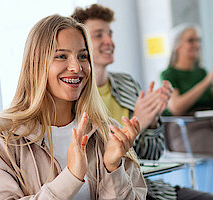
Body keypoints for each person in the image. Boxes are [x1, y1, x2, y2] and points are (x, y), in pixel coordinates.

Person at [0, 15, 147, 199]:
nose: (76, 67)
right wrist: (71, 176)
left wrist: (112, 169)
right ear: (35, 64)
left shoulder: (106, 132)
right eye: (61, 56)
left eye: (83, 56)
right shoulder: (0, 135)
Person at [71, 4, 213, 200]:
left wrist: (152, 121)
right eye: (98, 35)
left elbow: (152, 155)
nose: (109, 41)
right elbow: (97, 164)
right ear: (81, 44)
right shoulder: (73, 94)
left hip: (148, 187)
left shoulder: (127, 84)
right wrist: (137, 121)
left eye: (110, 34)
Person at [161, 23, 213, 155]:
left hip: (208, 122)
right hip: (186, 128)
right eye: (191, 40)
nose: (197, 45)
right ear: (177, 45)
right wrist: (206, 81)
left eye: (198, 40)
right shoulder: (169, 74)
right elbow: (176, 107)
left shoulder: (201, 72)